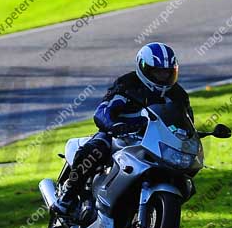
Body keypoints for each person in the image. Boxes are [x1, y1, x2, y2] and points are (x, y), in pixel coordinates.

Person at [51, 42, 194, 217]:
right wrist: (115, 125)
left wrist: (190, 136)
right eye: (158, 72)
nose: (163, 77)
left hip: (153, 139)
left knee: (183, 171)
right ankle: (68, 196)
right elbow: (103, 111)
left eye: (167, 72)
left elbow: (186, 121)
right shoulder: (127, 84)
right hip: (119, 134)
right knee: (96, 149)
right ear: (144, 69)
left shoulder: (178, 95)